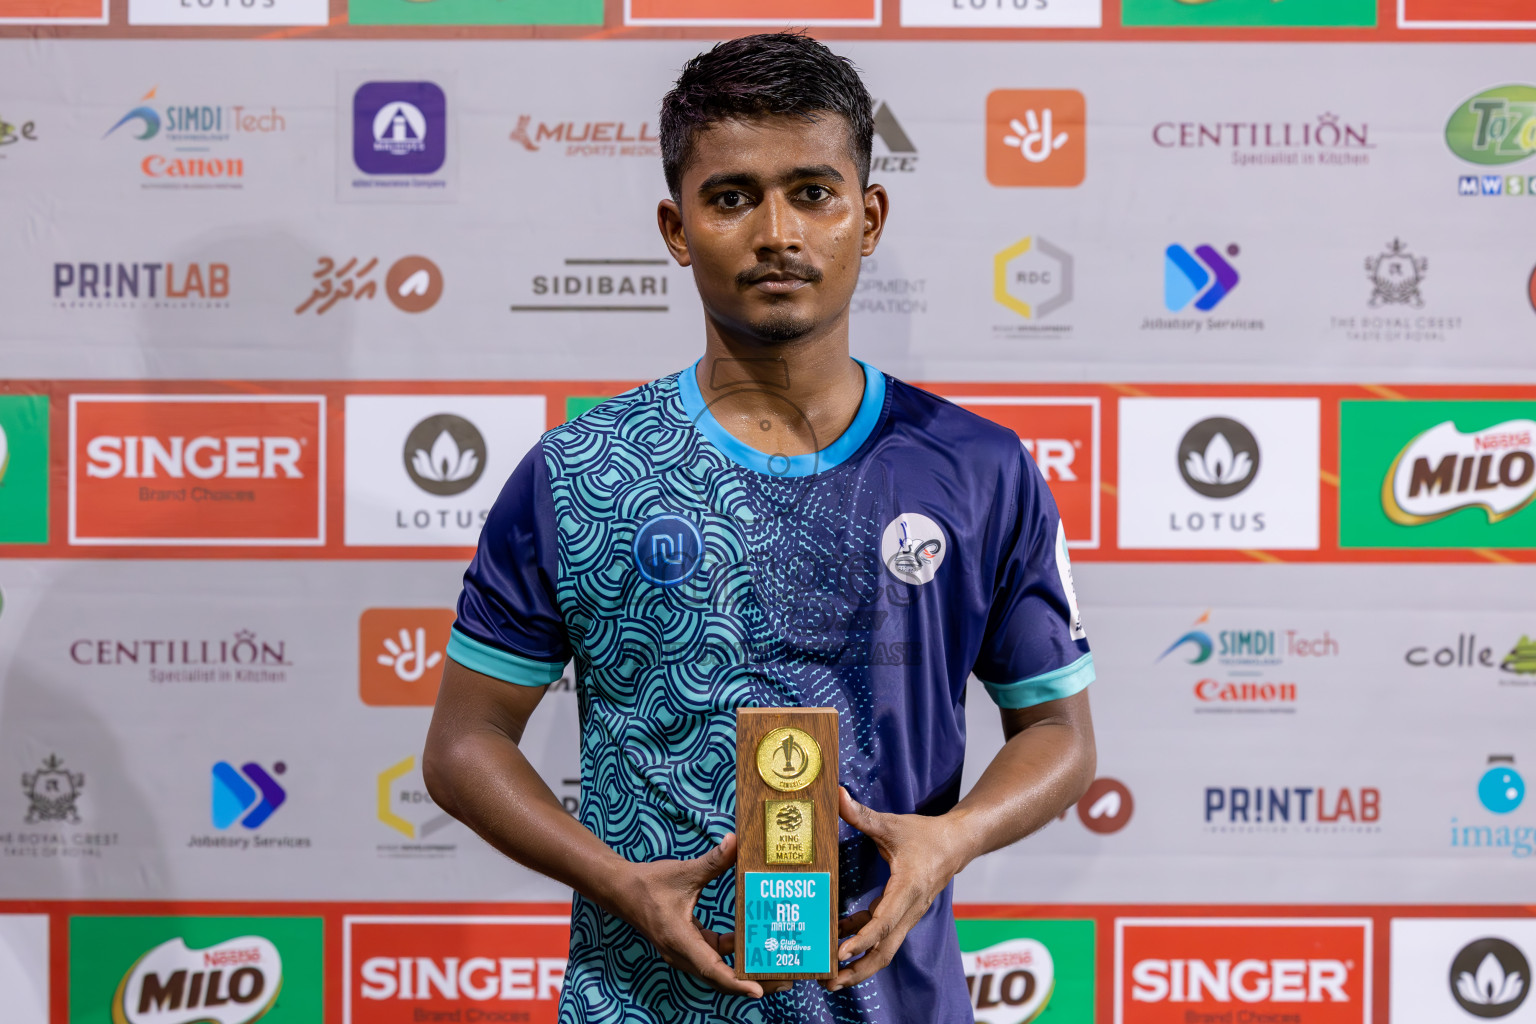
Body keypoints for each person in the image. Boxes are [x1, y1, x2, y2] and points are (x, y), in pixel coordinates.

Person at [423, 31, 1097, 1024]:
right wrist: (622, 881)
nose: (777, 232)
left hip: (898, 1005)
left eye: (813, 193)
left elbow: (1060, 733)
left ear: (868, 219)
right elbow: (463, 745)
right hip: (642, 1004)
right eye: (732, 196)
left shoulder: (978, 466)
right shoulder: (577, 472)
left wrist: (952, 839)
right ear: (676, 226)